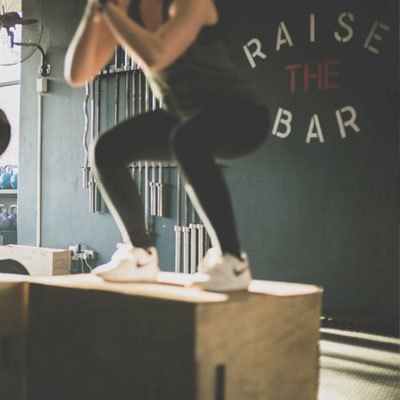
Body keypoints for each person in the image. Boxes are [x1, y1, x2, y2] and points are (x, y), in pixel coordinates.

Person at [64, 0, 269, 291]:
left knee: (186, 139)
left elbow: (156, 54)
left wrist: (109, 11)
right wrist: (93, 12)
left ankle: (233, 261)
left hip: (242, 114)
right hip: (185, 118)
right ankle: (140, 254)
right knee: (107, 149)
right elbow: (77, 74)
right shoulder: (125, 11)